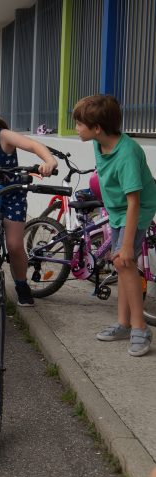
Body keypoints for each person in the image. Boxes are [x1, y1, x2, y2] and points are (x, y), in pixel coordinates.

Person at [74, 94, 155, 357]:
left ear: (97, 128)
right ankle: (123, 323)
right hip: (118, 210)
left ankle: (140, 328)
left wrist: (128, 246)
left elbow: (135, 201)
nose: (76, 128)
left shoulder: (128, 154)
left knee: (124, 261)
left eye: (79, 123)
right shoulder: (100, 144)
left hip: (137, 209)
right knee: (120, 264)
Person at [0, 98, 58, 306]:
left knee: (14, 245)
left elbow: (32, 144)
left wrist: (49, 161)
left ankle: (21, 284)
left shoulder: (2, 137)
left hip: (11, 195)